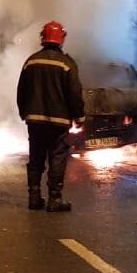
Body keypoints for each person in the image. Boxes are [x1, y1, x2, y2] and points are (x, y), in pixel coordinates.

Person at [16, 21, 85, 212]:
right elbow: (74, 93)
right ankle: (55, 199)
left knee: (36, 157)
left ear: (43, 38)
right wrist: (79, 117)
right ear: (61, 39)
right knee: (57, 158)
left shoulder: (31, 61)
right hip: (59, 121)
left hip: (35, 121)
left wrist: (24, 112)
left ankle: (34, 197)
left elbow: (21, 91)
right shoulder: (67, 64)